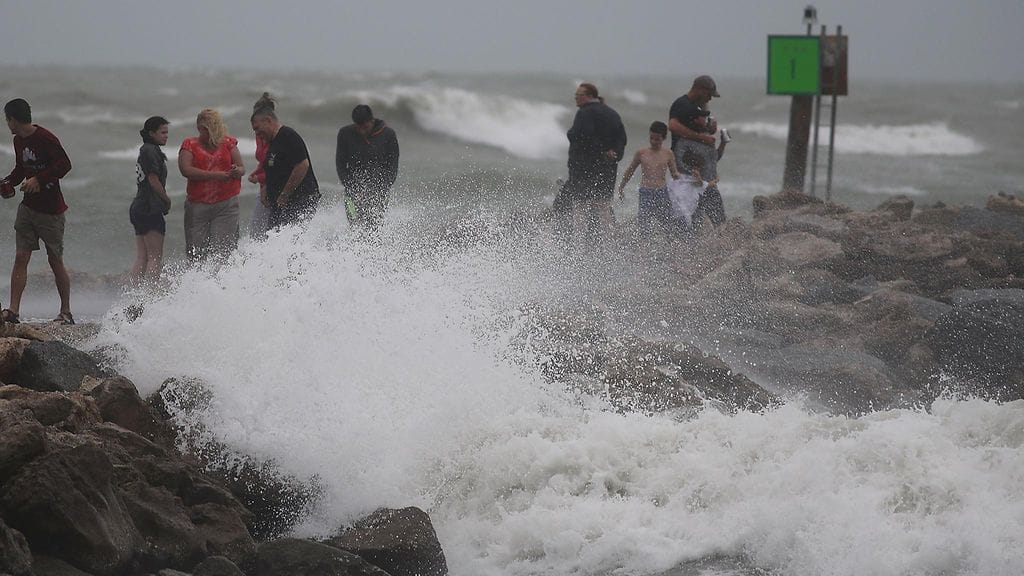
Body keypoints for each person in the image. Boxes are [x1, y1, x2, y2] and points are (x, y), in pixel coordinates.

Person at [0, 98, 74, 325]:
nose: (7, 124)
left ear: (13, 119)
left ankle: (66, 312)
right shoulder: (17, 141)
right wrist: (9, 182)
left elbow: (65, 165)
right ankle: (13, 311)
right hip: (28, 208)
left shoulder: (45, 138)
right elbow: (22, 169)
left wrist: (39, 179)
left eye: (7, 119)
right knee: (21, 256)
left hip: (51, 210)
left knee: (55, 260)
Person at [554, 82, 627, 244]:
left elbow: (584, 136)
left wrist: (601, 152)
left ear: (588, 96)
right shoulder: (613, 113)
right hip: (608, 170)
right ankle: (608, 247)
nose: (576, 99)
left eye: (578, 96)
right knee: (603, 207)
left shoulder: (584, 113)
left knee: (579, 206)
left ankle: (576, 246)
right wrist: (614, 154)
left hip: (584, 169)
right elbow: (622, 139)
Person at [178, 108, 244, 260]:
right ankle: (198, 282)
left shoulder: (228, 143)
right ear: (199, 128)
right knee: (196, 253)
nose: (209, 134)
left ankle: (223, 282)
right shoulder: (189, 145)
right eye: (206, 130)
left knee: (225, 251)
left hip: (226, 205)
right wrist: (215, 175)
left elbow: (242, 168)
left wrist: (235, 170)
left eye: (213, 130)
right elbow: (185, 169)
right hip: (198, 205)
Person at [250, 100, 320, 229]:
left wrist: (285, 194)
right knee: (273, 239)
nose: (257, 133)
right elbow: (272, 167)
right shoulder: (273, 141)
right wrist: (265, 186)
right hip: (279, 204)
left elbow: (302, 165)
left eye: (257, 128)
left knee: (289, 240)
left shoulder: (288, 136)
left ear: (268, 120)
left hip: (299, 200)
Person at [668, 75, 725, 228]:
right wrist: (701, 138)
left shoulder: (699, 107)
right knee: (692, 212)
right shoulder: (682, 104)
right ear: (700, 90)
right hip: (687, 171)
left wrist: (709, 129)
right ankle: (692, 240)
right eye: (709, 95)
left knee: (714, 211)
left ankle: (718, 235)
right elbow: (673, 125)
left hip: (703, 170)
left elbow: (700, 131)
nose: (710, 99)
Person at [336, 104, 399, 230]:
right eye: (358, 127)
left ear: (372, 120)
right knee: (354, 226)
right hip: (352, 191)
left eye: (365, 127)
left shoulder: (388, 135)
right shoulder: (345, 134)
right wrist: (352, 187)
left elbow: (392, 166)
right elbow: (341, 164)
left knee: (374, 227)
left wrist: (379, 190)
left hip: (379, 192)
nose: (362, 131)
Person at [617, 121, 680, 237]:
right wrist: (622, 186)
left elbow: (674, 172)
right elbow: (630, 170)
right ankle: (645, 243)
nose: (654, 142)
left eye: (657, 139)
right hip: (646, 191)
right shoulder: (641, 153)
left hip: (662, 191)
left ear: (664, 138)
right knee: (644, 221)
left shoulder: (668, 153)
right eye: (652, 138)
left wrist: (679, 177)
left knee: (666, 221)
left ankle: (669, 243)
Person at [129, 116, 172, 285]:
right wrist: (166, 200)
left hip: (139, 206)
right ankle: (151, 296)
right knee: (155, 257)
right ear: (151, 133)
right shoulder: (150, 151)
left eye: (167, 132)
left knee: (143, 256)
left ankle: (135, 296)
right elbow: (153, 180)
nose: (166, 136)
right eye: (162, 132)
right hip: (149, 207)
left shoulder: (145, 149)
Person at [247, 93, 273, 240]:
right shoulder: (260, 135)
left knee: (261, 234)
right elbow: (264, 161)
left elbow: (275, 167)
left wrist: (261, 179)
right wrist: (256, 173)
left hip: (273, 186)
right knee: (257, 233)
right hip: (264, 185)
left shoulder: (273, 136)